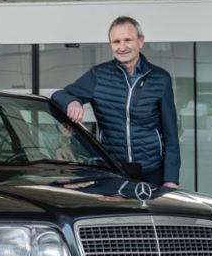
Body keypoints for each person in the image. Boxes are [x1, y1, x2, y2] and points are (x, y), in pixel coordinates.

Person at [51, 16, 181, 188]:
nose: (122, 47)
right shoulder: (98, 75)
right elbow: (60, 95)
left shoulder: (160, 78)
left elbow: (171, 134)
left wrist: (171, 179)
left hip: (151, 172)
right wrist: (72, 102)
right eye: (116, 42)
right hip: (112, 171)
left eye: (128, 40)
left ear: (140, 41)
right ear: (110, 45)